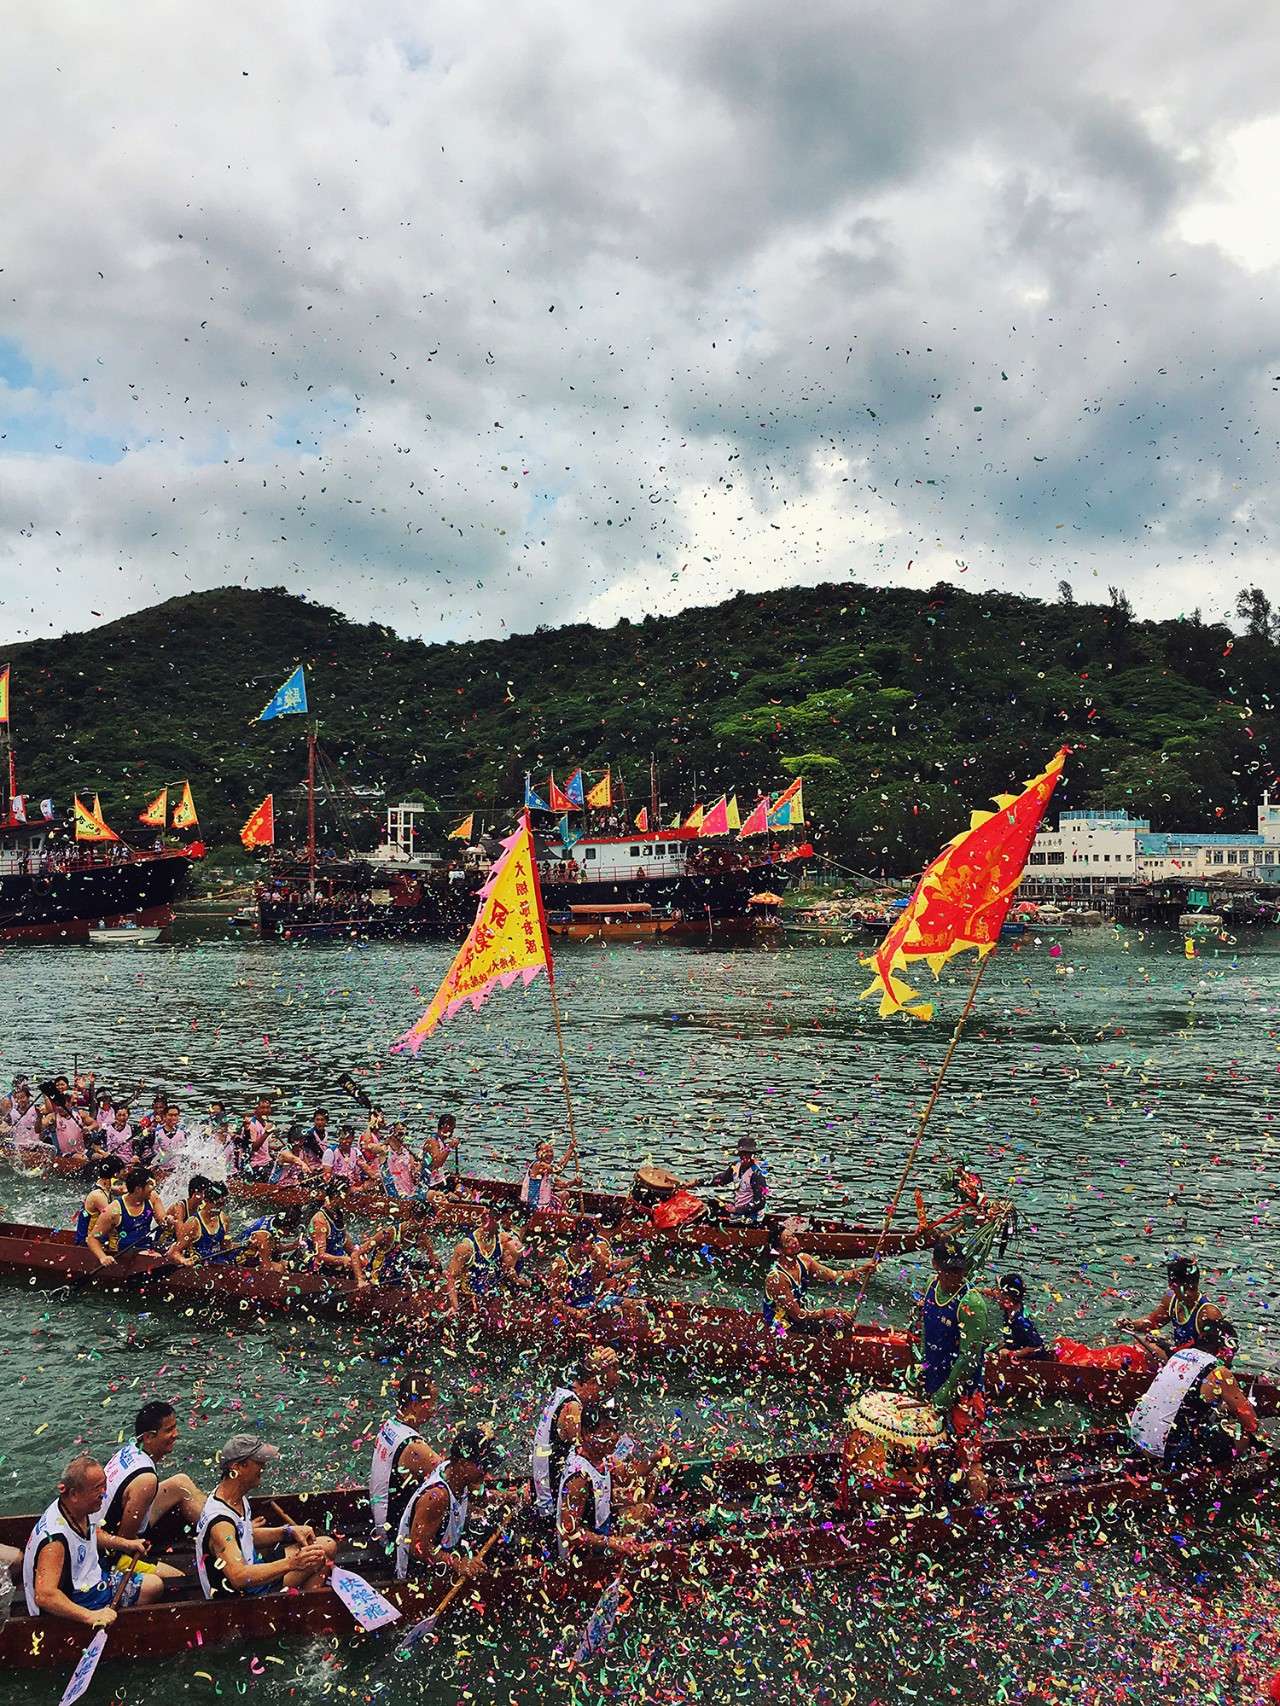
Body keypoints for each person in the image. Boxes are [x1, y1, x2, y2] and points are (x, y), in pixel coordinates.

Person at [23, 1454, 173, 1625]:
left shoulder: (76, 1510)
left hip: (91, 1576)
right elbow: (44, 1596)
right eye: (97, 1488)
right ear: (74, 1494)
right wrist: (91, 1616)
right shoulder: (55, 1542)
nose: (104, 1493)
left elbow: (92, 1533)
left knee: (154, 1583)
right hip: (76, 1598)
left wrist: (126, 1544)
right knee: (153, 1586)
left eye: (104, 1485)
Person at [910, 1239, 997, 1502]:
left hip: (963, 1391)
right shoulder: (931, 1288)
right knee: (934, 1446)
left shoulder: (972, 1303)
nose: (955, 1276)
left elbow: (969, 1357)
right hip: (934, 1379)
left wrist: (948, 1391)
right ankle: (938, 1500)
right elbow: (926, 1332)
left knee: (970, 1458)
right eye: (949, 1271)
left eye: (959, 1270)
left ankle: (980, 1515)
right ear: (935, 1266)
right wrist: (920, 1366)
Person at [195, 1435, 335, 1597]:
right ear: (238, 1467)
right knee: (319, 1555)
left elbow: (244, 1537)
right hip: (243, 1595)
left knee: (325, 1545)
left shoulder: (232, 1497)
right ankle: (302, 1613)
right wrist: (292, 1563)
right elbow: (239, 1577)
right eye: (259, 1463)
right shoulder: (221, 1525)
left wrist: (288, 1532)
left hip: (254, 1568)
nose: (264, 1467)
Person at [1128, 1317, 1262, 1470]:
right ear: (1225, 1349)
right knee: (1241, 1431)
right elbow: (1250, 1421)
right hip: (1169, 1451)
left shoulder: (1182, 1354)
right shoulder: (1219, 1372)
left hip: (1137, 1438)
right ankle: (1240, 1468)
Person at [395, 1426, 504, 1582]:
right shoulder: (437, 1496)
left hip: (447, 1550)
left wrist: (511, 1497)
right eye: (482, 1466)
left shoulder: (456, 1474)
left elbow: (480, 1498)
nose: (485, 1472)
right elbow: (418, 1548)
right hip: (419, 1577)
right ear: (463, 1464)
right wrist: (458, 1563)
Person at [556, 1403, 655, 1565]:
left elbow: (629, 1474)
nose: (615, 1437)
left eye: (615, 1430)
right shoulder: (579, 1478)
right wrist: (614, 1543)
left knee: (641, 1509)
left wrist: (656, 1458)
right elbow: (568, 1533)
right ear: (588, 1434)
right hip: (581, 1559)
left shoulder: (602, 1458)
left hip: (602, 1533)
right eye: (607, 1431)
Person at [531, 1348, 621, 1521]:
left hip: (548, 1496)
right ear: (593, 1382)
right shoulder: (573, 1408)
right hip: (554, 1509)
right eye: (606, 1390)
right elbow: (591, 1456)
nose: (605, 1398)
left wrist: (612, 1363)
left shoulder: (562, 1393)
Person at [101, 1400, 206, 1541]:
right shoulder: (146, 1480)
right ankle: (222, 1532)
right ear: (148, 1437)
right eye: (169, 1430)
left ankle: (214, 1521)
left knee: (181, 1483)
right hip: (108, 1543)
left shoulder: (130, 1450)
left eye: (175, 1427)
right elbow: (125, 1538)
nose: (176, 1434)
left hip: (106, 1521)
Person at [369, 1372, 443, 1545]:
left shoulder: (390, 1425)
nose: (433, 1410)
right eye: (431, 1403)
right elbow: (454, 1477)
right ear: (416, 1405)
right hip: (394, 1536)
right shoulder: (413, 1447)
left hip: (380, 1523)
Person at [762, 1220, 873, 1329]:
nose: (794, 1241)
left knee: (842, 1320)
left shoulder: (805, 1260)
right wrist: (829, 1312)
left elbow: (835, 1276)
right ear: (779, 1250)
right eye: (788, 1241)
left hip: (798, 1320)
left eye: (793, 1236)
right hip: (779, 1328)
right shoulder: (777, 1278)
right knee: (834, 1325)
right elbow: (798, 1316)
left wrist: (862, 1270)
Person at [547, 1217, 644, 1328]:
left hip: (593, 1304)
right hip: (573, 1310)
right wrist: (576, 1313)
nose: (594, 1245)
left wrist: (637, 1257)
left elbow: (613, 1267)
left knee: (637, 1305)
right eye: (590, 1242)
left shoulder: (592, 1252)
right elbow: (554, 1300)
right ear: (577, 1242)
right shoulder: (561, 1264)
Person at [1116, 1257, 1223, 1352]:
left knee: (1146, 1347)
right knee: (1141, 1342)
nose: (1189, 1294)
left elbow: (1214, 1352)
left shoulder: (1209, 1313)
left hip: (1197, 1361)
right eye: (1184, 1289)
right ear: (1171, 1285)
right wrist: (1131, 1324)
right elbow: (1152, 1323)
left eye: (1193, 1288)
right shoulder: (1170, 1299)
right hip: (1178, 1355)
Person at [443, 1207, 522, 1316]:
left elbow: (510, 1271)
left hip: (493, 1299)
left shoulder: (504, 1240)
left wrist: (515, 1278)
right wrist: (455, 1306)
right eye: (497, 1222)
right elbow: (450, 1277)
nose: (501, 1227)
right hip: (469, 1299)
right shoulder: (465, 1249)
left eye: (500, 1221)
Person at [85, 1165, 168, 1267]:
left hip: (148, 1247)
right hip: (125, 1252)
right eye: (150, 1185)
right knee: (156, 1259)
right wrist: (103, 1257)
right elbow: (92, 1239)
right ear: (138, 1189)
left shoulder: (152, 1197)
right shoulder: (113, 1211)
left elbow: (162, 1221)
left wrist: (168, 1220)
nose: (153, 1187)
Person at [300, 1179, 367, 1286]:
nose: (348, 1200)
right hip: (318, 1269)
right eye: (347, 1196)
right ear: (336, 1197)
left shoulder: (338, 1214)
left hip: (337, 1263)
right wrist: (344, 1260)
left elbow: (345, 1242)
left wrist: (358, 1256)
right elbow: (320, 1255)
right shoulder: (320, 1221)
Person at [702, 1137, 768, 1224]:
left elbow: (760, 1202)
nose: (745, 1157)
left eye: (748, 1154)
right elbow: (721, 1179)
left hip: (752, 1216)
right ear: (739, 1153)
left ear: (753, 1155)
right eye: (742, 1153)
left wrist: (736, 1209)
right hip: (738, 1209)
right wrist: (698, 1182)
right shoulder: (736, 1166)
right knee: (712, 1203)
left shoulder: (756, 1174)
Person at [993, 1273, 1051, 1361]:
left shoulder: (1021, 1321)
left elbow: (1036, 1346)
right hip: (1018, 1345)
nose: (996, 1297)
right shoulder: (1010, 1310)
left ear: (1007, 1299)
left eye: (999, 1294)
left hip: (1032, 1360)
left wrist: (1011, 1353)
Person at [72, 1158, 128, 1245]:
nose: (126, 1171)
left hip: (98, 1237)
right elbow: (113, 1217)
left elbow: (121, 1190)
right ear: (115, 1174)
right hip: (87, 1242)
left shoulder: (104, 1186)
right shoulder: (98, 1196)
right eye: (123, 1170)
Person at [520, 1139, 570, 1212]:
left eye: (551, 1151)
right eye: (546, 1152)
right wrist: (570, 1149)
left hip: (545, 1202)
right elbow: (559, 1169)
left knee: (565, 1194)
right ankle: (562, 1215)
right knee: (564, 1214)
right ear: (538, 1154)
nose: (549, 1154)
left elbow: (561, 1183)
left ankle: (561, 1213)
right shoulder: (538, 1165)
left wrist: (574, 1182)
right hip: (535, 1206)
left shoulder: (546, 1167)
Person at [423, 1114, 459, 1192]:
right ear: (446, 1126)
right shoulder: (432, 1142)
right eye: (452, 1127)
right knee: (459, 1195)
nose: (453, 1130)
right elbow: (437, 1163)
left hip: (440, 1181)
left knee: (462, 1188)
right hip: (431, 1184)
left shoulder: (441, 1141)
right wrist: (449, 1147)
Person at [382, 1126, 420, 1199]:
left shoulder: (406, 1151)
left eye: (403, 1133)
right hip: (394, 1186)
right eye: (399, 1132)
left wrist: (416, 1170)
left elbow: (414, 1168)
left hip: (408, 1185)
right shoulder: (385, 1149)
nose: (401, 1136)